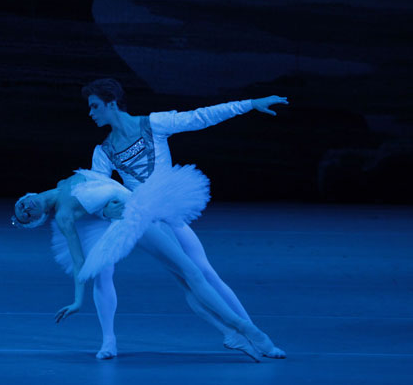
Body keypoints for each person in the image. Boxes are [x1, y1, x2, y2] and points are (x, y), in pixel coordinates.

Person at [82, 78, 288, 358]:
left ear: (112, 103)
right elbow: (98, 191)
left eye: (95, 106)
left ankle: (242, 332)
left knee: (204, 274)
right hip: (145, 219)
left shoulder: (153, 124)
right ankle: (246, 334)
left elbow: (200, 116)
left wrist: (250, 104)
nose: (91, 113)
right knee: (189, 276)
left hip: (171, 211)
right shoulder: (104, 151)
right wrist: (106, 210)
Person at [13, 166, 284, 361]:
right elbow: (79, 260)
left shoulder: (63, 184)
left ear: (26, 194)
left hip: (143, 207)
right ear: (36, 219)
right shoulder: (62, 217)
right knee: (191, 272)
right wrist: (77, 301)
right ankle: (248, 329)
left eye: (22, 205)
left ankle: (229, 332)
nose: (26, 208)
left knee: (185, 279)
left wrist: (105, 208)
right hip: (133, 220)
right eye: (26, 215)